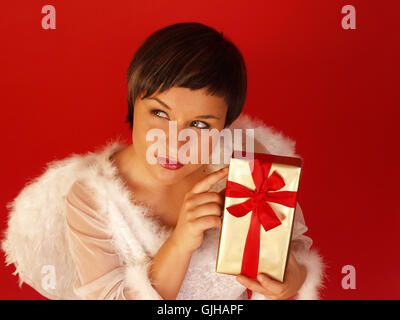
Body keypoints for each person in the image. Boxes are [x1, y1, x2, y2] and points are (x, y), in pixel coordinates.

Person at [1, 22, 324, 300]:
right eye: (159, 113)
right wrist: (181, 241)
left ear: (224, 125)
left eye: (200, 124)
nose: (174, 141)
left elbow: (288, 253)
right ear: (132, 104)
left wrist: (288, 281)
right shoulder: (91, 198)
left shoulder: (247, 163)